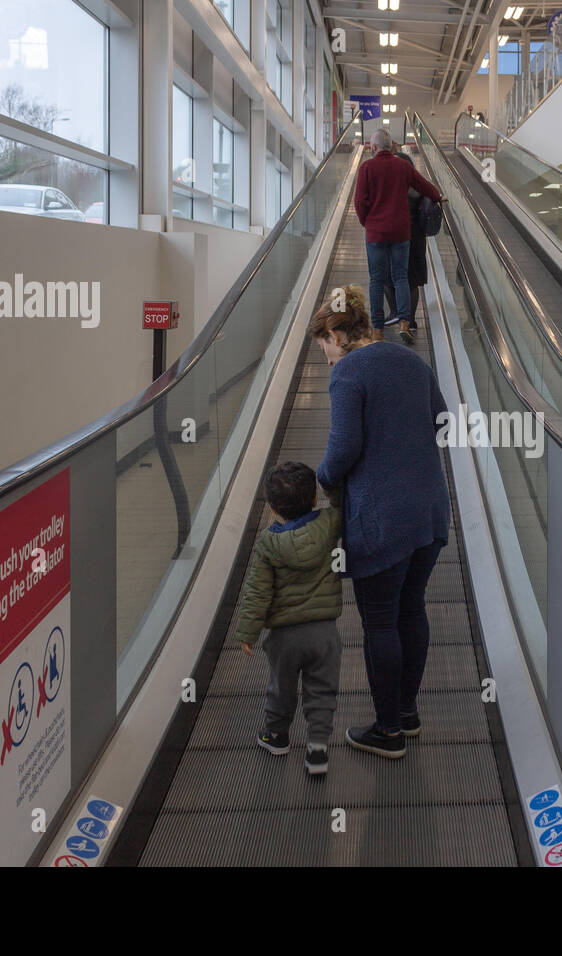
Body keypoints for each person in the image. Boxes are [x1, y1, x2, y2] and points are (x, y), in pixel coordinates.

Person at [309, 284, 451, 759]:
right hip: (428, 508)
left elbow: (344, 447)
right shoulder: (411, 361)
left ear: (335, 332)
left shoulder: (349, 372)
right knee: (413, 610)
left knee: (380, 623)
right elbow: (440, 420)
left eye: (324, 347)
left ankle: (387, 731)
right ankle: (406, 713)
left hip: (382, 520)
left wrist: (321, 481)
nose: (326, 359)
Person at [234, 461, 344, 776]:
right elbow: (342, 505)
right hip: (324, 633)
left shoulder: (268, 544)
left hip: (284, 637)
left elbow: (258, 591)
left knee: (281, 687)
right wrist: (331, 488)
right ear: (314, 500)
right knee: (322, 690)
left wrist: (247, 632)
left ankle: (276, 735)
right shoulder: (329, 523)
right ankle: (318, 749)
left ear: (271, 507)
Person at [354, 127, 444, 342]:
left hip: (376, 233)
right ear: (392, 146)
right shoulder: (402, 166)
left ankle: (377, 330)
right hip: (401, 232)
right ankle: (405, 322)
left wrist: (368, 222)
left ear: (373, 147)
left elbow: (359, 202)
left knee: (376, 280)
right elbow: (425, 187)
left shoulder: (367, 167)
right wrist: (439, 197)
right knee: (401, 277)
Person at [381, 148, 430, 345]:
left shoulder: (392, 188)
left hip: (395, 238)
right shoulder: (420, 186)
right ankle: (409, 319)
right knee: (412, 281)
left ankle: (395, 312)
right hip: (417, 239)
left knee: (387, 278)